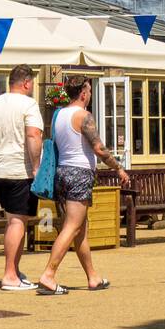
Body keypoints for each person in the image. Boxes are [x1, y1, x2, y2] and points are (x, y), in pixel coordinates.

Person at [37, 78, 129, 297]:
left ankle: (92, 277)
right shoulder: (84, 116)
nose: (89, 94)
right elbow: (98, 148)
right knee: (71, 226)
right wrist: (118, 168)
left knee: (80, 229)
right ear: (83, 94)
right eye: (88, 90)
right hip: (79, 173)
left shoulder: (58, 115)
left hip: (61, 172)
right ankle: (48, 275)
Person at [0, 64, 44, 292]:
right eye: (32, 83)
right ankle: (9, 275)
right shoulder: (29, 104)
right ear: (26, 82)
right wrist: (37, 167)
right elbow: (34, 135)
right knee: (17, 222)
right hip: (19, 169)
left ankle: (14, 271)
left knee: (13, 220)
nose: (32, 87)